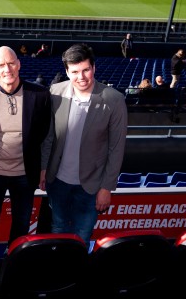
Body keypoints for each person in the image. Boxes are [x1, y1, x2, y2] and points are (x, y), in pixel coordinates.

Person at [0, 46, 51, 279]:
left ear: (19, 64)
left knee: (22, 220)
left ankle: (14, 257)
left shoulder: (39, 95)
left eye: (11, 63)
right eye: (1, 65)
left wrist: (43, 169)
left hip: (25, 174)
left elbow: (45, 135)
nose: (7, 69)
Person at [40, 43, 128, 245]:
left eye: (86, 70)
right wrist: (44, 168)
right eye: (75, 72)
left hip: (91, 186)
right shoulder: (55, 92)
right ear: (67, 72)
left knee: (82, 233)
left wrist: (107, 187)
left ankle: (75, 275)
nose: (81, 77)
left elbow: (116, 148)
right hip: (58, 181)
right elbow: (49, 137)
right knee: (58, 229)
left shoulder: (114, 100)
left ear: (94, 68)